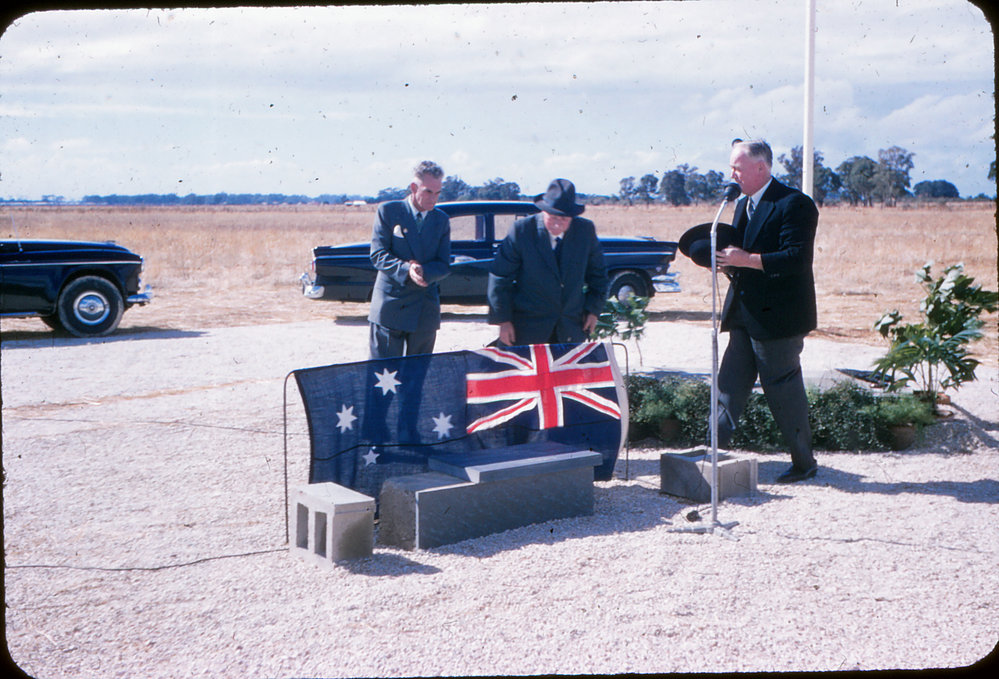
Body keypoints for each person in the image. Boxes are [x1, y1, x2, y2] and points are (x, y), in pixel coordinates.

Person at [715, 139, 819, 483]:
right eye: (732, 167)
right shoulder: (742, 205)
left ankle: (804, 463)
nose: (732, 174)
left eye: (738, 168)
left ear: (761, 168)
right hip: (743, 314)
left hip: (778, 319)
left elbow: (796, 259)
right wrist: (726, 263)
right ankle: (709, 458)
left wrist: (744, 259)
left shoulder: (795, 204)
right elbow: (741, 256)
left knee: (783, 392)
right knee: (727, 387)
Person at [487, 178, 609, 346]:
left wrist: (593, 311)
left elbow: (599, 276)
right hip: (527, 329)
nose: (557, 225)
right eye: (552, 217)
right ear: (543, 211)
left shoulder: (585, 231)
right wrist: (503, 321)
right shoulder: (521, 231)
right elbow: (499, 277)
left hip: (570, 328)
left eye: (564, 219)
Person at [367, 160, 451, 359]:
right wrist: (406, 270)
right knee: (384, 380)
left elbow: (444, 264)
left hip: (424, 311)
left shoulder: (441, 220)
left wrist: (425, 273)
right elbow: (378, 254)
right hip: (390, 308)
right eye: (429, 192)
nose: (434, 199)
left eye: (438, 193)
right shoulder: (388, 211)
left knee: (416, 380)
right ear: (414, 188)